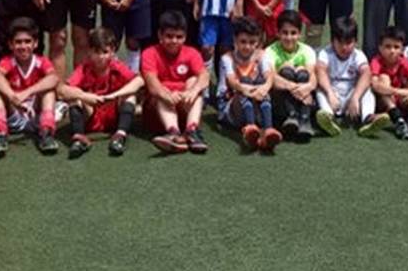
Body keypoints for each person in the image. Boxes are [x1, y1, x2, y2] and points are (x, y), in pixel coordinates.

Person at [60, 27, 143, 159]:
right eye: (96, 52)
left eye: (105, 52)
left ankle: (120, 136)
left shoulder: (116, 66)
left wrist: (115, 95)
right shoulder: (84, 68)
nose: (101, 57)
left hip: (113, 115)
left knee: (130, 96)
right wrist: (85, 96)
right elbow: (63, 90)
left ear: (112, 52)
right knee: (74, 97)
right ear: (89, 51)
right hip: (91, 114)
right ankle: (79, 138)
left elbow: (139, 81)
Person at [0, 17, 60, 157]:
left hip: (35, 114)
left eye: (27, 41)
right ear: (11, 45)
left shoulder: (41, 61)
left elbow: (54, 78)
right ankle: (0, 134)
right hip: (14, 113)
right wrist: (13, 97)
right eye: (18, 42)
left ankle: (46, 132)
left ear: (35, 43)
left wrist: (26, 93)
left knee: (49, 92)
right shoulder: (8, 61)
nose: (23, 46)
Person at [141, 10, 208, 155]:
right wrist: (168, 95)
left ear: (185, 37)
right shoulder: (149, 53)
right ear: (160, 35)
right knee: (160, 92)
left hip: (184, 107)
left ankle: (191, 131)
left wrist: (192, 91)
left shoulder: (192, 52)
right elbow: (152, 84)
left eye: (179, 37)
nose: (174, 41)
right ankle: (173, 133)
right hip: (158, 112)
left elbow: (204, 76)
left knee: (194, 81)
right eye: (169, 36)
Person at [314, 15, 390, 138]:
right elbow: (320, 71)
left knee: (367, 88)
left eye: (349, 43)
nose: (344, 47)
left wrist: (355, 97)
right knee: (320, 90)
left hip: (351, 95)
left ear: (355, 42)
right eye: (340, 42)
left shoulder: (358, 55)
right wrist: (330, 93)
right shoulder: (325, 53)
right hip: (332, 95)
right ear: (332, 41)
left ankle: (368, 119)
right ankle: (328, 118)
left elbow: (366, 73)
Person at [218, 16, 282, 153]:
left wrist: (264, 88)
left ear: (258, 42)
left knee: (261, 82)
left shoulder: (262, 55)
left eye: (252, 42)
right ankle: (250, 126)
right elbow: (232, 82)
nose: (247, 46)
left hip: (256, 101)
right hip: (231, 108)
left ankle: (268, 129)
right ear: (235, 40)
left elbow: (269, 76)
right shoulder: (227, 58)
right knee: (245, 81)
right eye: (243, 42)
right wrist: (246, 89)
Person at [266, 10, 317, 141]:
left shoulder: (307, 50)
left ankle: (304, 120)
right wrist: (294, 87)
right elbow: (271, 79)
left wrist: (306, 87)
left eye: (293, 33)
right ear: (278, 33)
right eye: (285, 33)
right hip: (280, 101)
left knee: (303, 73)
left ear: (299, 34)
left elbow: (312, 78)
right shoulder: (270, 51)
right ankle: (291, 116)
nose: (289, 37)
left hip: (303, 97)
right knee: (286, 70)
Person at [370, 25, 408, 141]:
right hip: (384, 101)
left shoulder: (404, 61)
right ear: (380, 48)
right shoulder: (376, 61)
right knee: (384, 78)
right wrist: (398, 91)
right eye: (388, 46)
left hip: (401, 100)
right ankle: (398, 121)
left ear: (402, 49)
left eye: (396, 47)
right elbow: (375, 85)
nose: (392, 51)